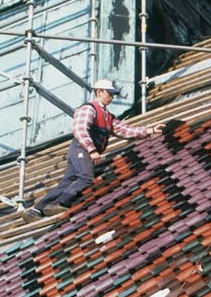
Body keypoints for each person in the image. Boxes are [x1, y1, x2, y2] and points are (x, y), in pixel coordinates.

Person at [30, 79, 159, 214]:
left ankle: (37, 209)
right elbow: (79, 129)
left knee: (68, 181)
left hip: (83, 150)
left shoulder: (108, 117)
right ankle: (60, 202)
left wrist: (150, 130)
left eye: (112, 94)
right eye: (109, 93)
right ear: (99, 92)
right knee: (86, 177)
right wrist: (92, 150)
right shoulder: (89, 109)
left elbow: (125, 130)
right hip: (81, 148)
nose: (111, 97)